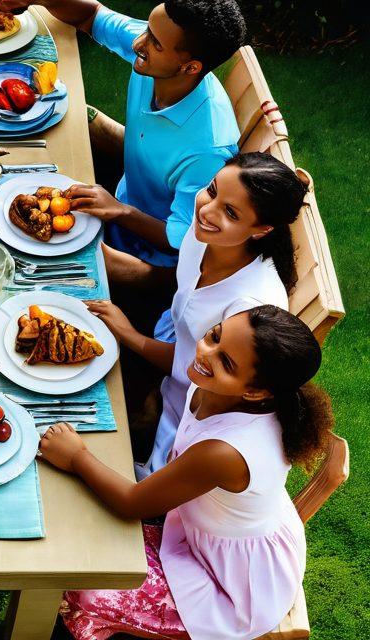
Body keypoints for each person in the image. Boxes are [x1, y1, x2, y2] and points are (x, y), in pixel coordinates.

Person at [39, 305, 333, 640]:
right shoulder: (213, 386)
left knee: (85, 583)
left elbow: (132, 503)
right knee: (81, 527)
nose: (206, 354)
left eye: (226, 363)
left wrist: (76, 456)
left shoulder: (224, 452)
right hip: (210, 532)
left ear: (254, 391)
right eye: (215, 336)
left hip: (229, 587)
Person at [0, 0, 245, 290]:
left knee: (8, 263)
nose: (139, 43)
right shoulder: (161, 56)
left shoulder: (208, 150)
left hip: (148, 260)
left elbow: (181, 239)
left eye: (155, 43)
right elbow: (91, 15)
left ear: (190, 67)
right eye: (147, 30)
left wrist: (119, 211)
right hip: (118, 202)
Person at [87, 152, 310, 477]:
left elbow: (197, 368)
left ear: (261, 230)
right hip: (164, 352)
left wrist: (129, 335)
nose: (207, 209)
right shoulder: (208, 230)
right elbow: (184, 281)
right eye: (212, 189)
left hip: (190, 411)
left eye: (230, 212)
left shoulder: (252, 307)